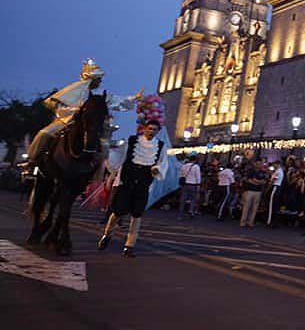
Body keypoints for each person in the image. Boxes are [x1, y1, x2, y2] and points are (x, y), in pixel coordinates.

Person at [26, 58, 137, 164]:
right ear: (92, 79)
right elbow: (60, 106)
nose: (100, 81)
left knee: (104, 145)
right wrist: (76, 112)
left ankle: (100, 171)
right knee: (44, 133)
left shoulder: (99, 94)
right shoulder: (73, 89)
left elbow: (116, 101)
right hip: (67, 121)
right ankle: (31, 161)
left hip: (90, 124)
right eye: (99, 79)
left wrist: (133, 98)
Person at [97, 117, 167, 258]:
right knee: (117, 212)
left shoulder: (160, 145)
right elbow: (120, 156)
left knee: (137, 215)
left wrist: (156, 169)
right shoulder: (132, 141)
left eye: (155, 129)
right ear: (145, 129)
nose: (151, 131)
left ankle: (129, 245)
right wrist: (113, 168)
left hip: (143, 182)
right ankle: (107, 234)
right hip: (127, 180)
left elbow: (162, 162)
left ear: (158, 131)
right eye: (150, 128)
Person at [240, 159, 267, 228]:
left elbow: (264, 181)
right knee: (246, 207)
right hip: (250, 190)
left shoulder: (263, 172)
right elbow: (249, 180)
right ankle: (243, 222)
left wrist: (256, 181)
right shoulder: (250, 171)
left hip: (258, 191)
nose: (258, 165)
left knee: (254, 208)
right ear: (254, 164)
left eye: (260, 164)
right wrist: (258, 182)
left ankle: (250, 222)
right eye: (257, 163)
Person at [178, 154, 201, 219]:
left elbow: (181, 175)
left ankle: (180, 215)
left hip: (185, 184)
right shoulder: (196, 167)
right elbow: (198, 177)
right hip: (193, 185)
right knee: (193, 198)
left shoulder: (184, 166)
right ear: (195, 160)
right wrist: (198, 185)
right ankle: (190, 210)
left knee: (183, 200)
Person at [265, 161, 284, 226]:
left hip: (275, 187)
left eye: (275, 164)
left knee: (272, 205)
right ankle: (273, 221)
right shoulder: (278, 171)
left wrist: (268, 189)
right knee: (274, 205)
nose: (274, 166)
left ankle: (270, 221)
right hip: (276, 187)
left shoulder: (278, 172)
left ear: (278, 164)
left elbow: (272, 181)